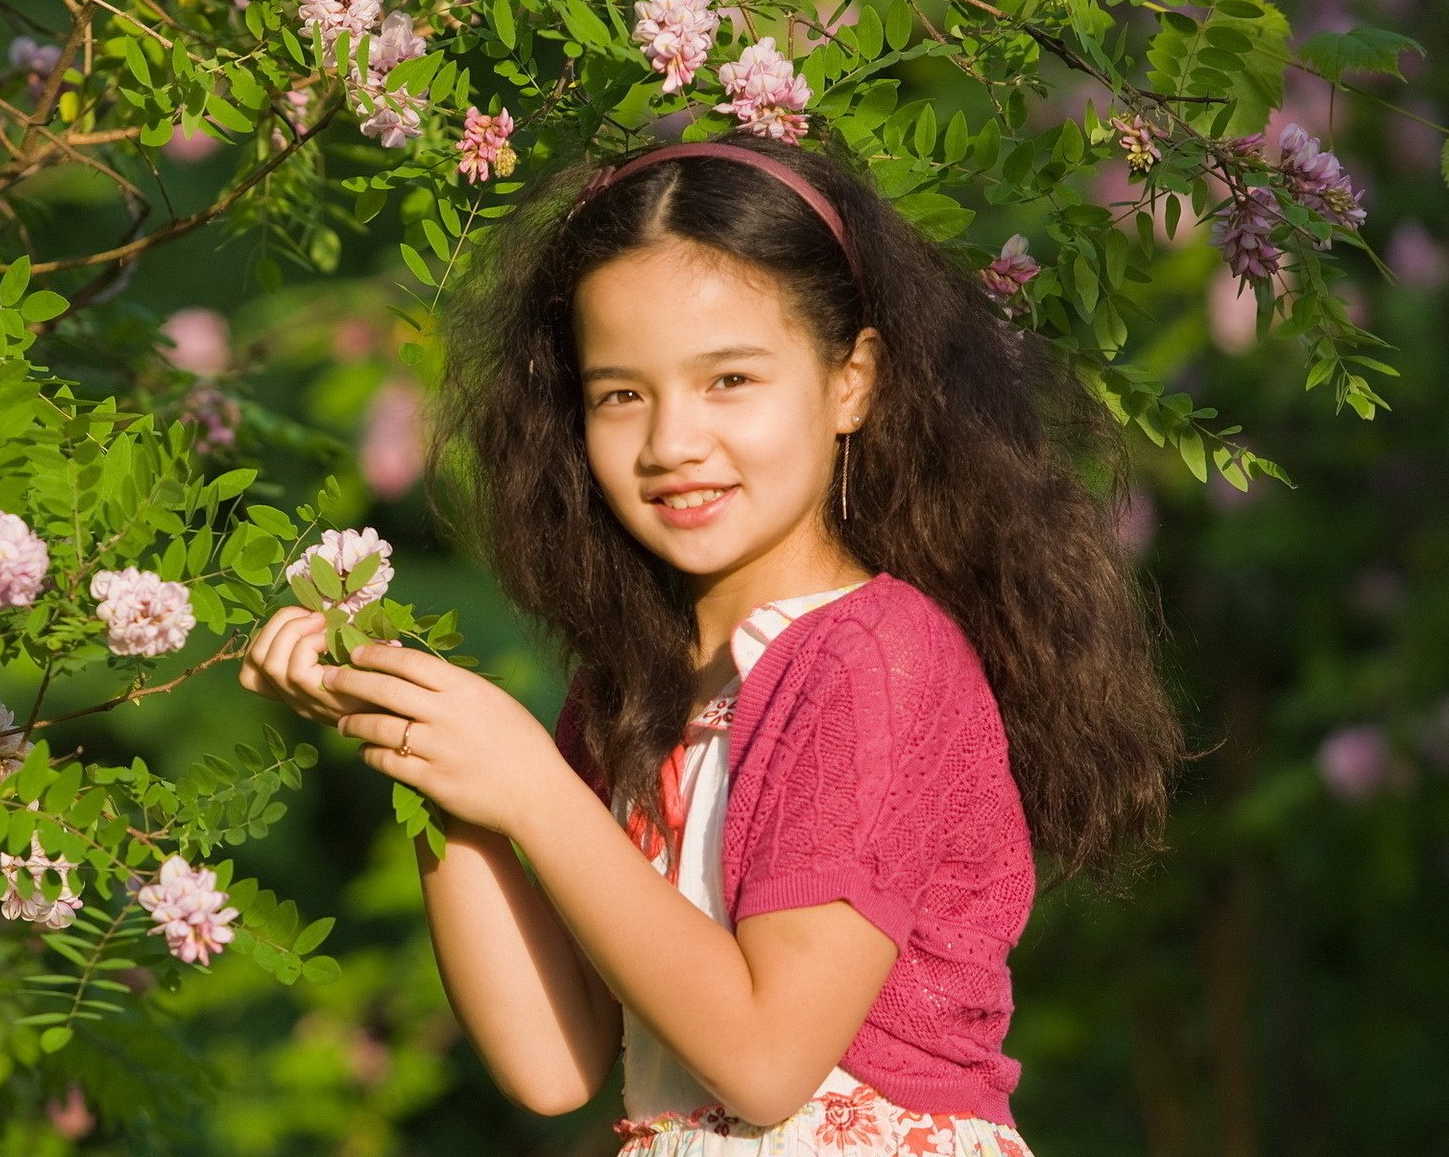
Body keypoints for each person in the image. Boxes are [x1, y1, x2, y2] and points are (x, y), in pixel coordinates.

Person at [240, 131, 1189, 1154]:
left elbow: (767, 1060)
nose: (671, 442)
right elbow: (554, 1063)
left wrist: (531, 788)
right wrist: (439, 767)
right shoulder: (634, 688)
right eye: (620, 394)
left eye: (729, 380)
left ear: (851, 382)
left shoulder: (874, 658)